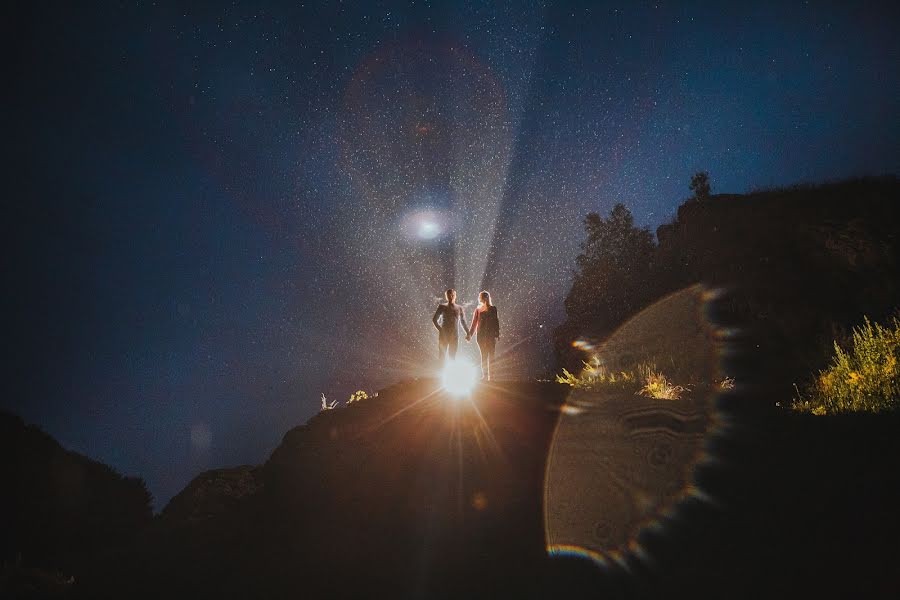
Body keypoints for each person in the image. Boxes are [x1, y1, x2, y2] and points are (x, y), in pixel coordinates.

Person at [467, 291, 500, 381]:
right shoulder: (478, 310)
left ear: (485, 298)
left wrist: (497, 333)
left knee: (491, 356)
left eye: (480, 296)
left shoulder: (493, 308)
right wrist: (470, 334)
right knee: (484, 356)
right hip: (481, 336)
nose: (479, 298)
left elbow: (496, 321)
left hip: (491, 335)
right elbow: (474, 323)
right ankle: (485, 376)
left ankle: (492, 377)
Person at [432, 288, 469, 363]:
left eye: (452, 295)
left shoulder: (459, 308)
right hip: (444, 335)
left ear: (455, 296)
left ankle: (450, 373)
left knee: (452, 356)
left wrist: (468, 333)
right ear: (446, 296)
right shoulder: (442, 306)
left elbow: (463, 321)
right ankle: (440, 374)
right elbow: (434, 319)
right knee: (442, 356)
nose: (450, 296)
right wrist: (440, 330)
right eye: (449, 295)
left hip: (454, 336)